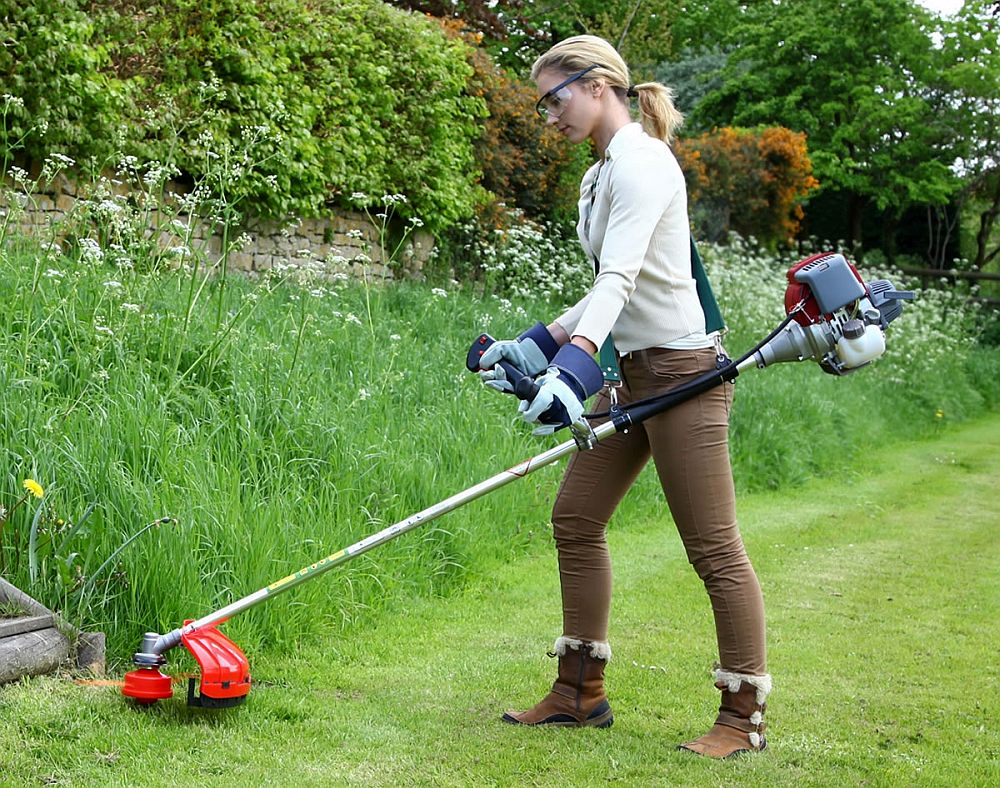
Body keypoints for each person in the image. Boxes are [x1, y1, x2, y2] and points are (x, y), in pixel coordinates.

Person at [476, 34, 770, 758]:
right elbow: (607, 283)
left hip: (686, 377)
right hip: (636, 373)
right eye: (542, 103)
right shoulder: (601, 173)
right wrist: (539, 342)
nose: (547, 116)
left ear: (599, 83)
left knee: (714, 549)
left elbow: (623, 282)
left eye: (555, 98)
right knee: (575, 518)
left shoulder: (643, 161)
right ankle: (580, 693)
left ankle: (742, 718)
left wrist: (573, 367)